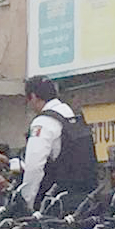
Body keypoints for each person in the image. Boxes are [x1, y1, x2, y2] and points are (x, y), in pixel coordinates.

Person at [14, 75, 99, 212]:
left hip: (57, 203)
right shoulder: (72, 116)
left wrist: (26, 202)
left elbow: (34, 167)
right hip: (86, 201)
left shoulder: (43, 122)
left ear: (34, 97)